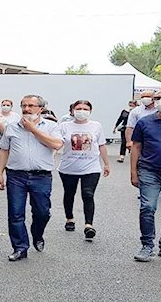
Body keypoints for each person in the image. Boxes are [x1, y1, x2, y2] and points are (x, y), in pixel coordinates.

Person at [0, 94, 63, 262]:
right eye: (24, 105)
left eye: (31, 106)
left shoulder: (51, 126)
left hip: (41, 176)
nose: (26, 109)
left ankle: (37, 233)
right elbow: (4, 150)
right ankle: (20, 247)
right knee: (15, 213)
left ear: (41, 108)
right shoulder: (12, 127)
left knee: (43, 212)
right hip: (16, 175)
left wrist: (33, 129)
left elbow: (57, 144)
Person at [130, 86, 161, 262]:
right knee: (147, 207)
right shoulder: (145, 122)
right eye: (159, 98)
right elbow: (136, 147)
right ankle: (147, 245)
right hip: (149, 171)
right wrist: (133, 172)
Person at [57, 100, 110, 241]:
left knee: (88, 194)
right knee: (69, 193)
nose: (81, 111)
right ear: (72, 110)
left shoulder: (96, 126)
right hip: (69, 167)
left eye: (85, 108)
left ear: (90, 111)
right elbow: (56, 143)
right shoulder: (64, 126)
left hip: (91, 167)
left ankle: (89, 225)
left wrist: (106, 163)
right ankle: (70, 218)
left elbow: (102, 145)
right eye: (78, 108)